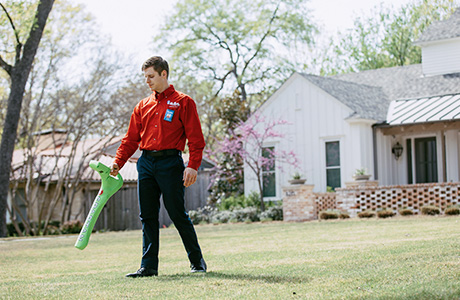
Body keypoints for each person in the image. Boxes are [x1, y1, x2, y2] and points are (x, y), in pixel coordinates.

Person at [110, 56, 207, 278]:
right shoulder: (142, 106)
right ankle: (148, 267)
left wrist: (192, 165)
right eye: (145, 77)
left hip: (171, 163)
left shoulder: (184, 102)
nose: (148, 81)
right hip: (145, 163)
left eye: (151, 76)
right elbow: (130, 140)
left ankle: (197, 262)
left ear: (164, 74)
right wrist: (118, 162)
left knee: (176, 213)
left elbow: (196, 140)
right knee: (148, 216)